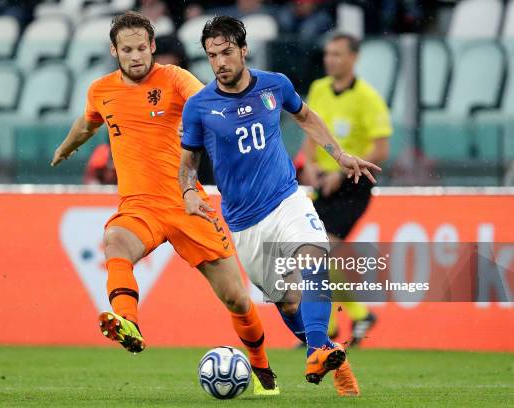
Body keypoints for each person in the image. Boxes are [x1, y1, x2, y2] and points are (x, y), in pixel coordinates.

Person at [50, 11, 279, 395]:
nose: (136, 55)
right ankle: (128, 323)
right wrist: (65, 148)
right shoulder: (101, 90)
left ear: (153, 46)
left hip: (187, 203)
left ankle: (264, 374)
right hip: (139, 206)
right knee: (115, 243)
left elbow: (211, 101)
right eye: (127, 49)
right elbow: (88, 124)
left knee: (237, 299)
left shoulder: (173, 79)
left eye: (142, 48)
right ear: (114, 51)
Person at [179, 16, 380, 396]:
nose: (220, 62)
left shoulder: (275, 85)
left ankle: (319, 347)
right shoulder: (199, 106)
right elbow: (187, 164)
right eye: (211, 56)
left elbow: (305, 116)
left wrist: (338, 154)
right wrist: (189, 191)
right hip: (243, 222)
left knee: (313, 255)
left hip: (286, 199)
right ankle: (332, 357)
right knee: (288, 303)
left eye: (226, 53)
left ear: (243, 49)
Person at [300, 32, 391, 347]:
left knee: (327, 246)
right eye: (327, 54)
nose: (330, 60)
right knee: (313, 253)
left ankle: (355, 313)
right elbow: (310, 130)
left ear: (354, 58)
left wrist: (342, 169)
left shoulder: (368, 97)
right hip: (323, 182)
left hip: (354, 183)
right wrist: (309, 164)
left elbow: (380, 149)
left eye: (337, 54)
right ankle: (336, 324)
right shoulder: (319, 89)